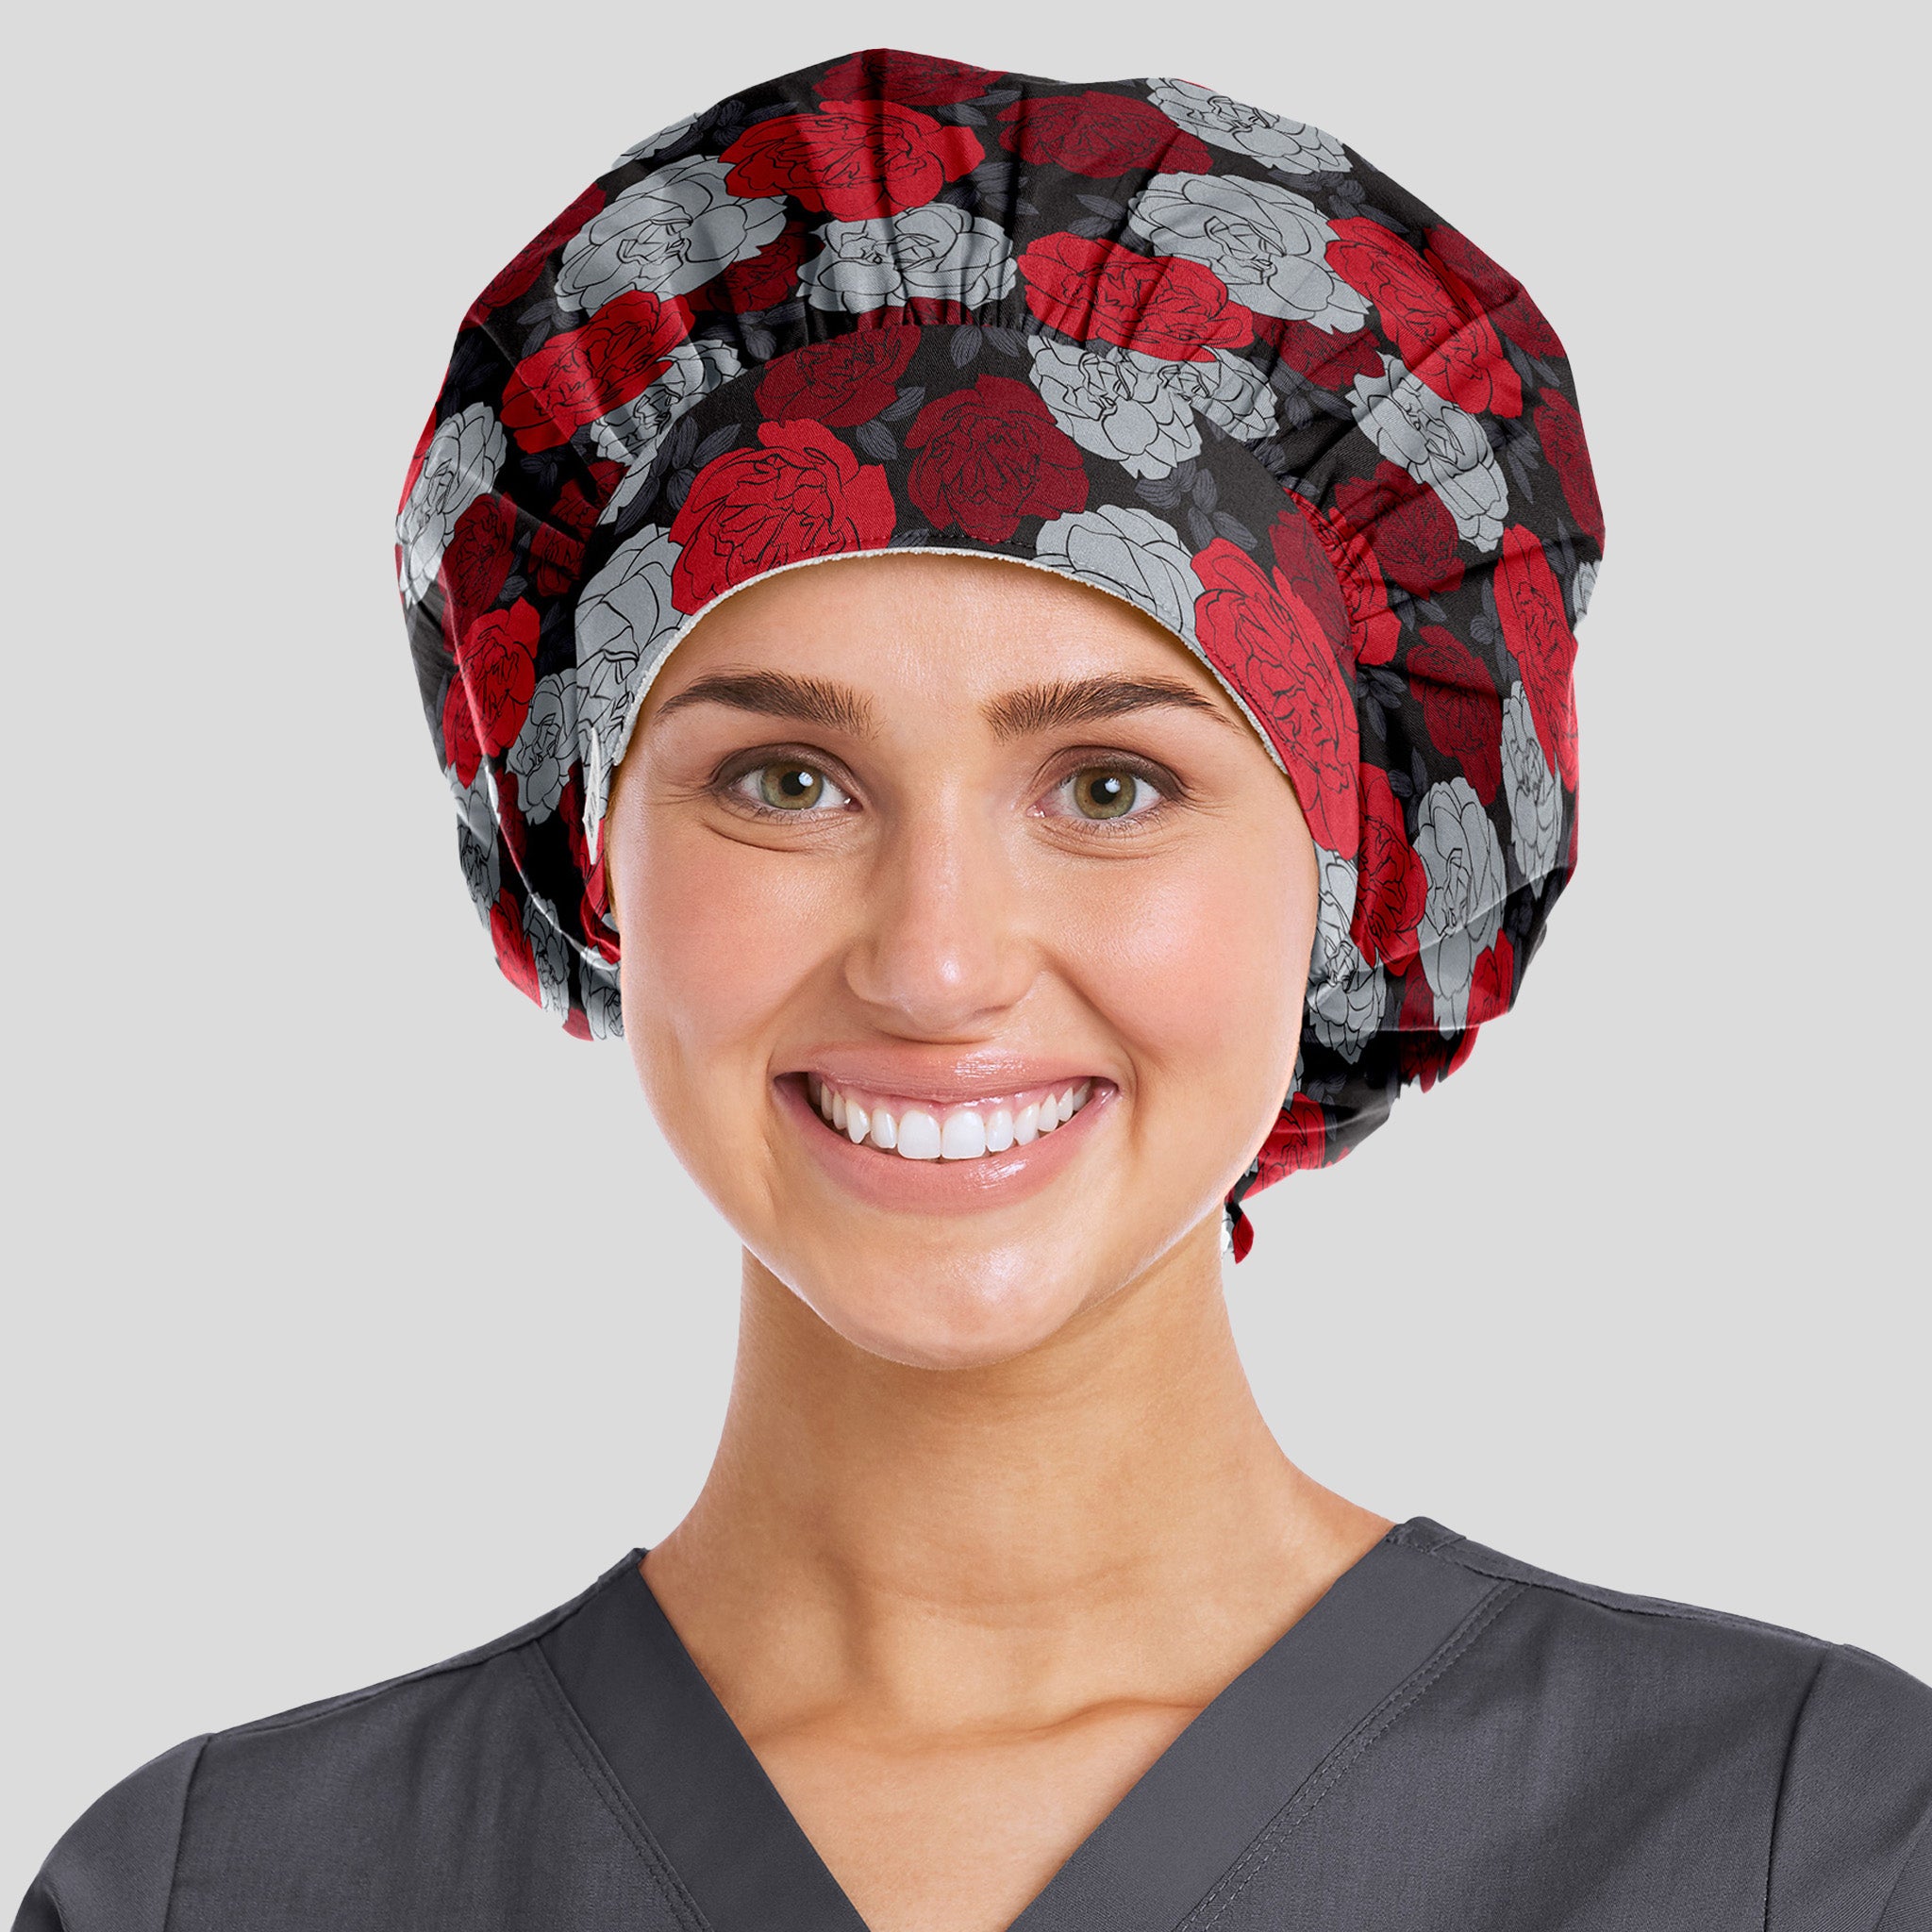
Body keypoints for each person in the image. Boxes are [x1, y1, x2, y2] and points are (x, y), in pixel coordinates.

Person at [16, 45, 1930, 1932]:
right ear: (590, 858)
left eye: (1110, 788)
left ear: (1355, 873)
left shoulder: (1800, 1849)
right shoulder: (218, 1887)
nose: (936, 962)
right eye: (787, 782)